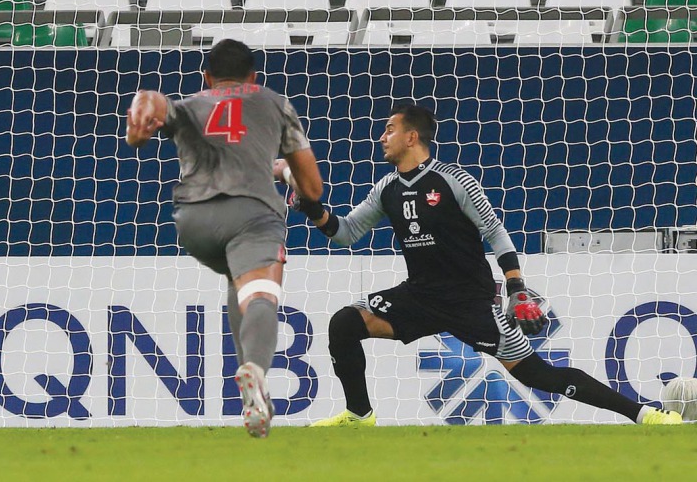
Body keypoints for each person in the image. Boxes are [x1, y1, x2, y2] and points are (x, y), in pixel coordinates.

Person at [288, 103, 682, 426]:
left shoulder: (453, 179)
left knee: (537, 374)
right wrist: (311, 208)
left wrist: (516, 289)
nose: (382, 137)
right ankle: (360, 415)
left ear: (412, 137)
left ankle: (644, 415)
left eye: (389, 129)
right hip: (419, 296)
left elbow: (495, 232)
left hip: (469, 302)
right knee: (344, 323)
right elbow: (346, 232)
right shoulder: (386, 188)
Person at [125, 38, 323, 438]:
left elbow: (156, 104)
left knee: (240, 281)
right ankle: (255, 371)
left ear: (206, 77)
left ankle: (254, 391)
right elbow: (314, 188)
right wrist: (290, 176)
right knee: (261, 295)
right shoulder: (274, 103)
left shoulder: (191, 104)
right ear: (253, 76)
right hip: (252, 216)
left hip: (193, 223)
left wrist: (145, 104)